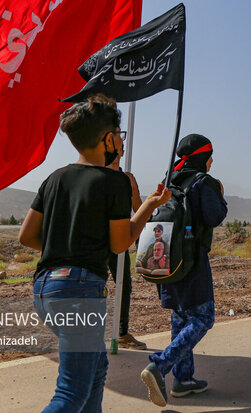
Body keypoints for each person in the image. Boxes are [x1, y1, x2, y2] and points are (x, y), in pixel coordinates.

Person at [18, 94, 170, 413]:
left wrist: (67, 245)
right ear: (108, 138)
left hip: (46, 289)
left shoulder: (55, 178)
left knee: (97, 369)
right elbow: (119, 244)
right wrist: (147, 207)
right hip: (80, 291)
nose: (121, 140)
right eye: (119, 133)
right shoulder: (113, 181)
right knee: (71, 391)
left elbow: (27, 236)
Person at [140, 134, 227, 407]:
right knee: (203, 317)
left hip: (166, 259)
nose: (212, 161)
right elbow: (215, 216)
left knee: (180, 316)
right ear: (202, 156)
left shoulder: (171, 179)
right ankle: (160, 365)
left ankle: (183, 380)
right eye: (210, 155)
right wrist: (220, 197)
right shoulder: (202, 182)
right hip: (192, 261)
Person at [106, 133, 147, 350]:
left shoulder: (128, 178)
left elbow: (138, 208)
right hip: (97, 240)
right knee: (93, 285)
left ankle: (121, 333)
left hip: (120, 240)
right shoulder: (97, 175)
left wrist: (137, 192)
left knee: (124, 285)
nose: (117, 151)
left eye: (119, 147)